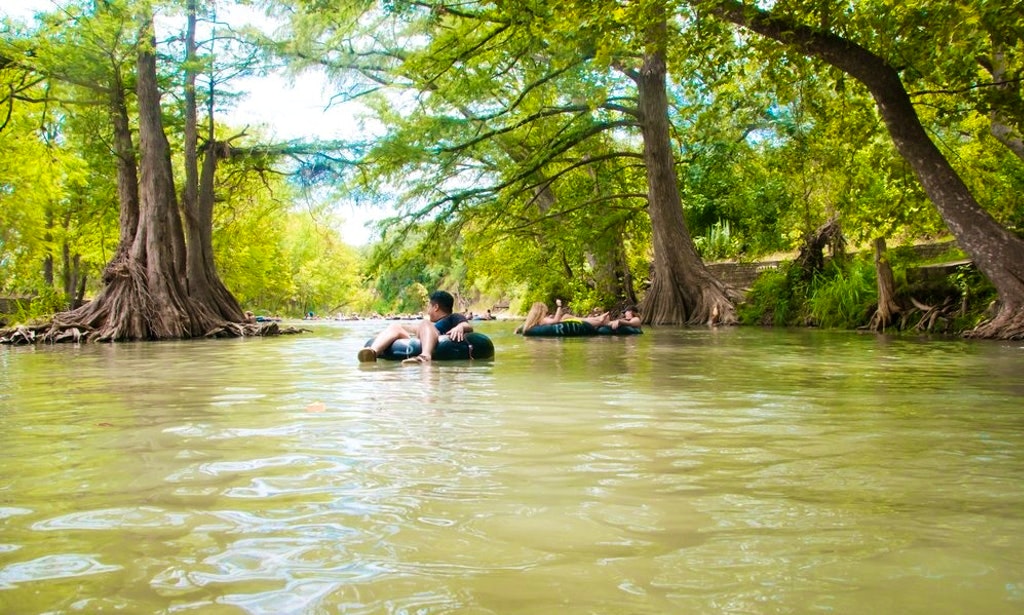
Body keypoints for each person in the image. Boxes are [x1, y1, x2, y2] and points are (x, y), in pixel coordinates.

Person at [358, 290, 472, 364]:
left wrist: (460, 327)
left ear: (436, 307)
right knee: (395, 327)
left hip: (438, 340)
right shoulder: (427, 325)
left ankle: (426, 355)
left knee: (425, 323)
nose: (428, 310)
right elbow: (414, 329)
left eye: (429, 306)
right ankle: (373, 352)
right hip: (420, 339)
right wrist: (398, 326)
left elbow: (466, 325)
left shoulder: (453, 317)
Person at [518, 299, 608, 334]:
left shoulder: (530, 323)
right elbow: (556, 321)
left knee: (566, 316)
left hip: (555, 326)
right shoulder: (541, 321)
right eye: (544, 312)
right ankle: (599, 321)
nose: (545, 314)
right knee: (566, 316)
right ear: (540, 312)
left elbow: (519, 329)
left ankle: (598, 319)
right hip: (560, 324)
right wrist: (559, 306)